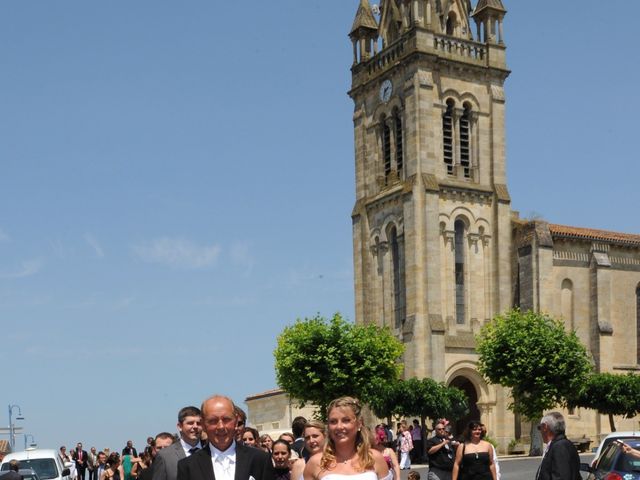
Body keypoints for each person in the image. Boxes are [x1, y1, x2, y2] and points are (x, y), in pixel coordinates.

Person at [176, 394, 275, 480]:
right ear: (203, 425)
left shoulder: (260, 460)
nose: (221, 427)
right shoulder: (188, 466)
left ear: (236, 422)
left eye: (226, 419)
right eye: (213, 421)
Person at [303, 396, 390, 480]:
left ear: (359, 423)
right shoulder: (316, 462)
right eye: (333, 422)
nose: (339, 427)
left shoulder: (374, 458)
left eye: (346, 420)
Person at [154, 406, 203, 480]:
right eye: (190, 423)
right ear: (179, 426)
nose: (195, 426)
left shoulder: (211, 452)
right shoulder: (165, 456)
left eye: (199, 423)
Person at [535, 412, 580, 480]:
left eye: (539, 427)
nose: (540, 431)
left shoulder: (560, 447)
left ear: (545, 427)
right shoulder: (559, 445)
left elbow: (561, 477)